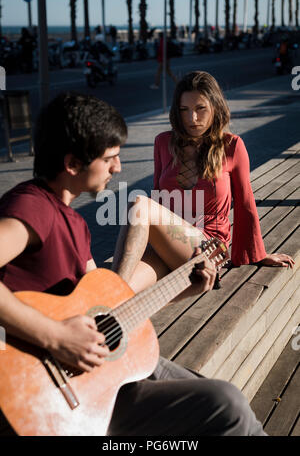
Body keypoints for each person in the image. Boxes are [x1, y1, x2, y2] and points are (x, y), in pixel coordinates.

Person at [0, 93, 266, 436]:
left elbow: (113, 315)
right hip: (53, 392)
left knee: (233, 404)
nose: (119, 168)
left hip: (101, 371)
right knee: (226, 405)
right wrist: (56, 336)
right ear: (72, 164)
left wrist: (186, 289)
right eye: (110, 158)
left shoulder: (74, 223)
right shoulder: (32, 207)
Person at [152, 71, 294, 269]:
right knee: (129, 282)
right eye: (184, 109)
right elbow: (158, 200)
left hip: (209, 244)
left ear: (215, 107)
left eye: (200, 108)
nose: (192, 118)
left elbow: (245, 202)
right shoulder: (162, 142)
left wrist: (256, 254)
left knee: (139, 207)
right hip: (169, 238)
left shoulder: (232, 146)